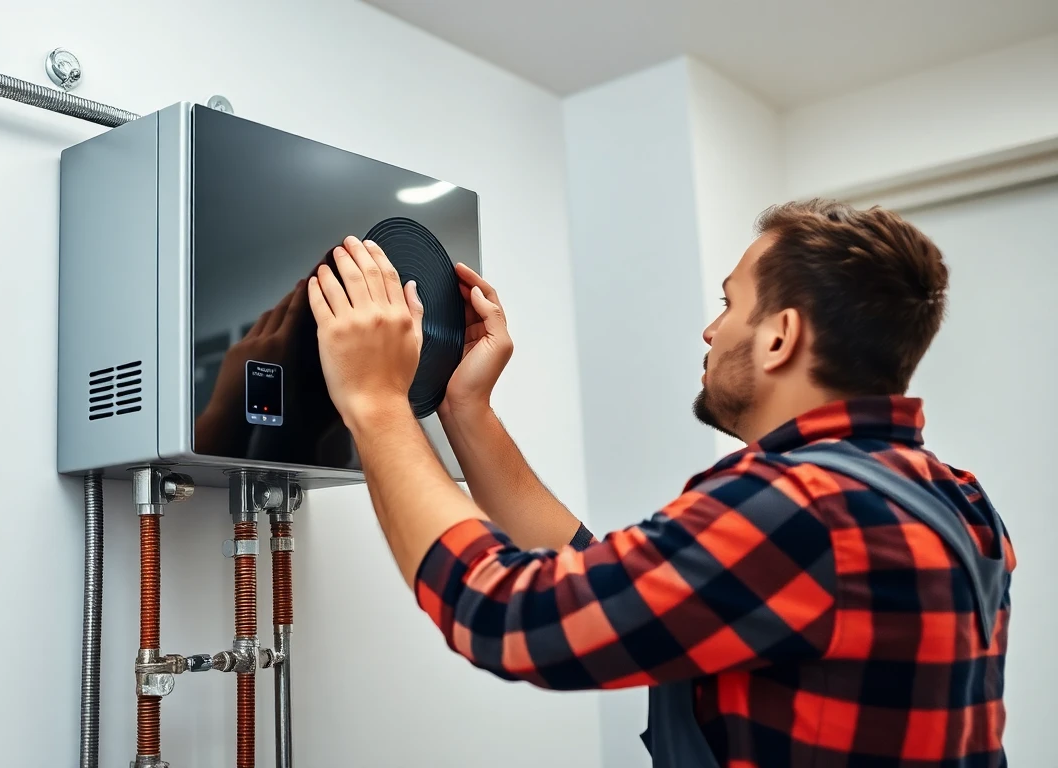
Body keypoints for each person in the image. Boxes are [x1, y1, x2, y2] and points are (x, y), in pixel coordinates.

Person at [305, 200, 1014, 768]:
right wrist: (467, 410)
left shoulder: (801, 505)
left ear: (780, 337)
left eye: (730, 304)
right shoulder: (953, 497)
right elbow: (603, 576)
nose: (712, 331)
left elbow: (505, 616)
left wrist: (375, 402)